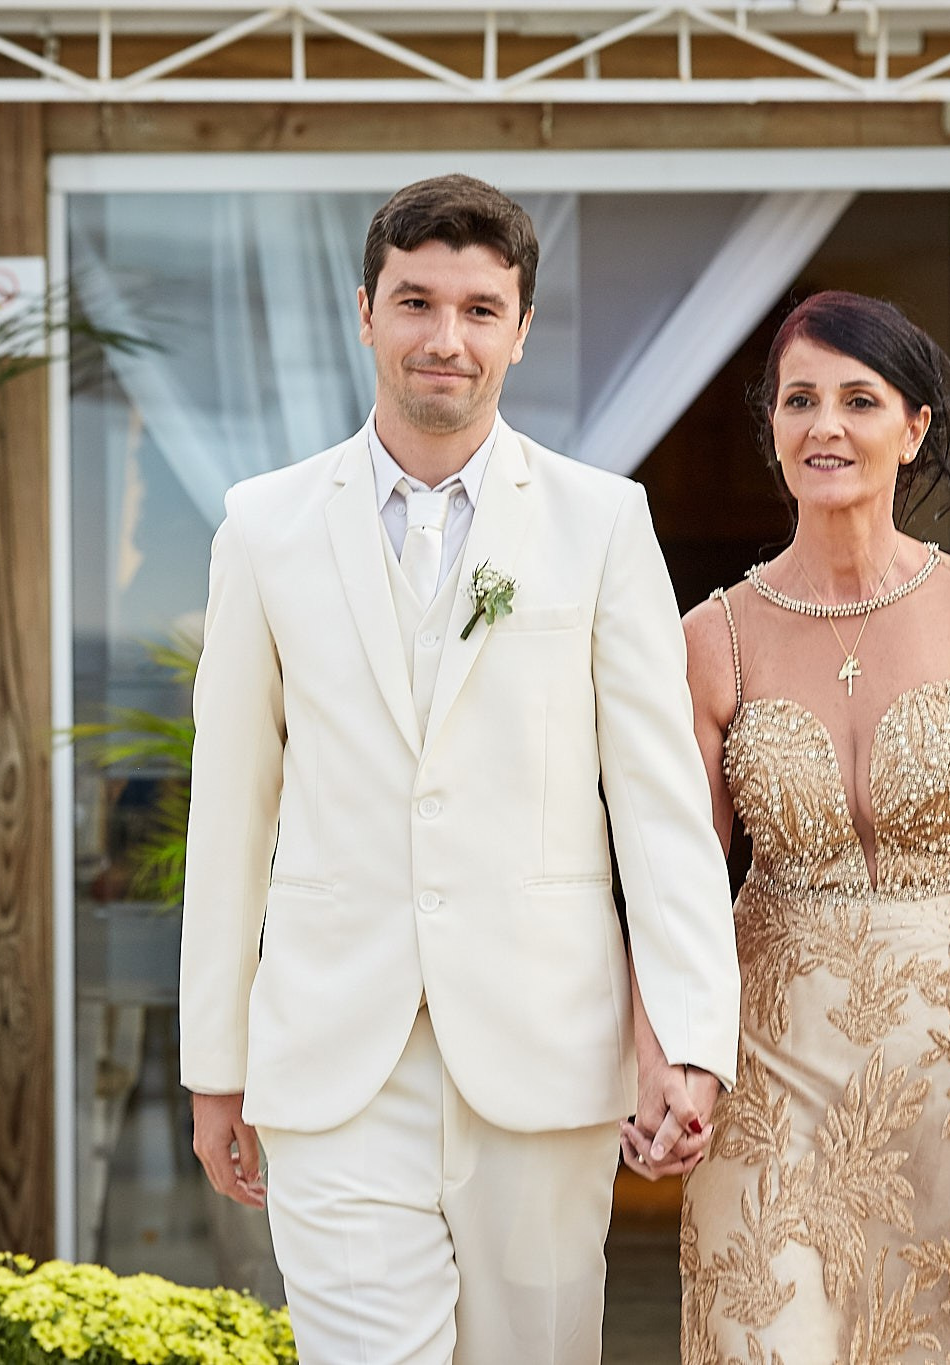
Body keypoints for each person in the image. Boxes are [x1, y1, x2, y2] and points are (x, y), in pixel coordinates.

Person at [177, 174, 741, 1365]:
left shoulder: (600, 523)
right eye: (417, 303)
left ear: (521, 329)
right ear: (365, 312)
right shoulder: (264, 527)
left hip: (540, 1055)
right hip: (333, 1064)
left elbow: (659, 806)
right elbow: (229, 819)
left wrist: (685, 1033)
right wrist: (213, 1065)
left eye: (480, 310)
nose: (446, 339)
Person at [631, 291, 950, 1362]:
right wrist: (659, 1062)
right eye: (798, 401)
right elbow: (670, 879)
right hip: (771, 1080)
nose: (824, 425)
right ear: (770, 430)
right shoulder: (708, 638)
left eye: (857, 399)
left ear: (911, 429)